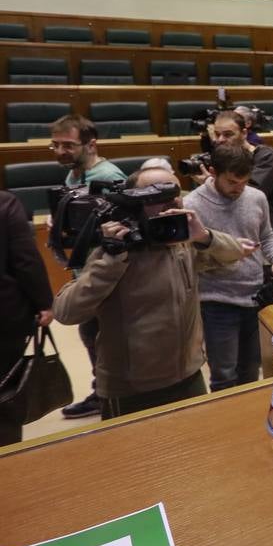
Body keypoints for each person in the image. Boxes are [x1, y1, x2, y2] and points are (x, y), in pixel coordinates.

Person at [52, 165, 251, 419]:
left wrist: (204, 235)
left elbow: (233, 254)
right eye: (156, 197)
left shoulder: (182, 241)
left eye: (174, 195)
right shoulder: (115, 252)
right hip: (132, 389)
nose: (170, 204)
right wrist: (111, 261)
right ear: (134, 202)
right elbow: (66, 312)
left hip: (189, 377)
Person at [184, 143, 273, 392]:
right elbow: (190, 258)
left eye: (244, 182)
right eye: (232, 182)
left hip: (254, 297)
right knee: (223, 374)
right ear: (212, 171)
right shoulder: (192, 205)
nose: (239, 189)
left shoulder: (256, 197)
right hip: (217, 301)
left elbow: (267, 236)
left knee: (251, 370)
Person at [48, 115, 126, 420]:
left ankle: (109, 397)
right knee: (91, 336)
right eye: (55, 145)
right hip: (86, 272)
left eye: (68, 145)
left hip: (106, 276)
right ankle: (101, 393)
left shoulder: (107, 177)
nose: (60, 151)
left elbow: (118, 227)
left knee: (102, 340)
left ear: (91, 144)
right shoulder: (74, 175)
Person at [0, 188, 54, 446]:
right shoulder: (3, 203)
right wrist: (43, 303)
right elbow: (24, 260)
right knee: (5, 394)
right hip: (4, 319)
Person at [209, 110, 273, 243]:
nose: (220, 140)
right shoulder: (221, 158)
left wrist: (211, 183)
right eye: (217, 134)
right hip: (234, 232)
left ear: (244, 133)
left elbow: (248, 191)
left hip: (267, 235)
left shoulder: (265, 156)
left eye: (228, 134)